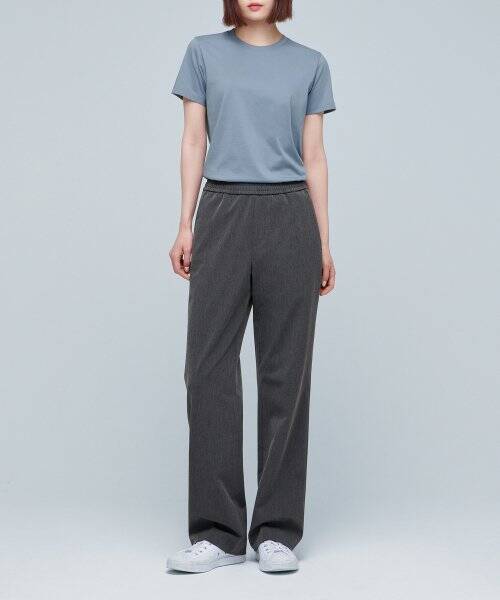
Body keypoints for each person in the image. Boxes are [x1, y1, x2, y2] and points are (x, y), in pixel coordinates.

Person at [167, 0, 336, 573]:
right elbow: (194, 141)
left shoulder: (310, 63)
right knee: (207, 368)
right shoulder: (203, 54)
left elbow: (314, 156)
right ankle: (217, 532)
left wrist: (324, 242)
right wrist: (185, 223)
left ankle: (277, 531)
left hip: (291, 214)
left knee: (286, 372)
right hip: (223, 209)